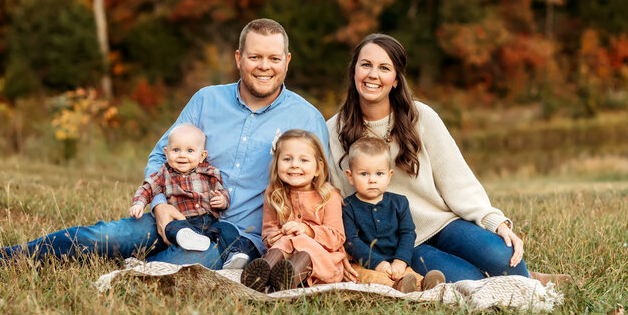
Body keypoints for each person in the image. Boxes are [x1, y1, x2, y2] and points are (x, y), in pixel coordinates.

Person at [0, 18, 330, 288]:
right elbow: (160, 156)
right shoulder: (206, 101)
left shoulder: (306, 117)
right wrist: (158, 205)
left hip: (238, 238)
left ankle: (117, 281)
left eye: (274, 58)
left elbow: (322, 189)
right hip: (176, 213)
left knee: (190, 267)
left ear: (287, 62)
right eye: (255, 57)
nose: (265, 66)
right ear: (238, 58)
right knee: (102, 236)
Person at [327, 33, 569, 285]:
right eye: (365, 65)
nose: (373, 75)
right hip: (401, 244)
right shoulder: (334, 130)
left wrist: (496, 223)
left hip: (443, 223)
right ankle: (525, 281)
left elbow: (458, 180)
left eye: (384, 68)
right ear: (354, 70)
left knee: (502, 253)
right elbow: (337, 199)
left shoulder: (420, 117)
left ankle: (529, 280)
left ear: (396, 79)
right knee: (469, 281)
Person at [240, 129, 345, 292]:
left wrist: (307, 230)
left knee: (303, 246)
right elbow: (269, 229)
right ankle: (262, 274)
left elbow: (337, 237)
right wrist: (273, 238)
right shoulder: (274, 193)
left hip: (320, 257)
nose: (294, 164)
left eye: (304, 160)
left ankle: (287, 279)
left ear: (318, 168)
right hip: (284, 249)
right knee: (284, 242)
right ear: (277, 164)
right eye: (287, 159)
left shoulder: (329, 195)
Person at [341, 137, 445, 293]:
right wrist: (377, 263)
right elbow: (351, 241)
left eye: (379, 174)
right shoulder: (347, 207)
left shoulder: (399, 203)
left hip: (396, 262)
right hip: (365, 264)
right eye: (364, 174)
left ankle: (426, 285)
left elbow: (407, 233)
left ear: (389, 176)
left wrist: (400, 261)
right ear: (350, 176)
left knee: (410, 275)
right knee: (371, 279)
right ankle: (397, 288)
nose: (372, 180)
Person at [129, 123, 239, 263]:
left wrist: (223, 200)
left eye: (190, 151)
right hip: (182, 221)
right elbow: (147, 188)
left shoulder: (209, 173)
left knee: (227, 229)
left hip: (209, 223)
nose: (182, 156)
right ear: (166, 152)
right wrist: (138, 204)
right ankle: (183, 240)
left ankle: (233, 255)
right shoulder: (164, 174)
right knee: (171, 227)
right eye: (175, 150)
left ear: (202, 155)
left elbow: (221, 191)